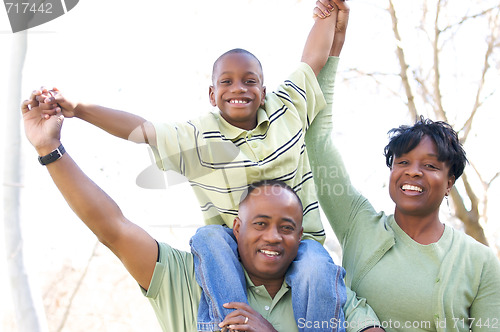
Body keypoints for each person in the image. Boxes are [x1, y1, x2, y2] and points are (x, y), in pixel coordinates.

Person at [29, 0, 352, 330]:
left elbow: (311, 61)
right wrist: (78, 109)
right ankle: (227, 323)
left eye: (249, 81)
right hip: (233, 250)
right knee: (209, 238)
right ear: (212, 95)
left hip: (302, 243)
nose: (238, 88)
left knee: (316, 266)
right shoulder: (196, 137)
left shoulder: (287, 107)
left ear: (263, 89)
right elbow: (142, 131)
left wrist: (327, 15)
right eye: (226, 82)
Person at [21, 91, 385, 331]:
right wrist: (50, 149)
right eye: (260, 223)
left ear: (300, 235)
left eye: (287, 227)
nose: (273, 236)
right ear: (236, 228)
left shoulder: (327, 290)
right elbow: (112, 228)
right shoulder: (189, 278)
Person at [305, 91, 500, 328]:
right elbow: (317, 140)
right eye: (403, 162)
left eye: (429, 165)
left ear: (449, 183)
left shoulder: (480, 261)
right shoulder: (358, 224)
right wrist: (329, 56)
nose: (413, 171)